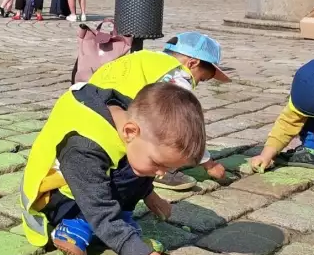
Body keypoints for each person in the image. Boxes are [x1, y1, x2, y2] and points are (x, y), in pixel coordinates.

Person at [21, 82, 206, 255]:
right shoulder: (84, 146)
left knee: (137, 166)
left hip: (85, 183)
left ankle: (120, 227)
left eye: (168, 168)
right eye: (159, 164)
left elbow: (136, 157)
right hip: (56, 198)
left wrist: (149, 194)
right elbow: (102, 214)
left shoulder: (130, 119)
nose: (161, 174)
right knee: (132, 172)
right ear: (130, 131)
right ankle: (76, 224)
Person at [89, 33, 232, 190]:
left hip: (88, 107)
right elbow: (184, 127)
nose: (196, 83)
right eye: (201, 79)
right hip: (110, 127)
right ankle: (153, 168)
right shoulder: (177, 77)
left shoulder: (145, 58)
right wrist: (209, 165)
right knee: (165, 130)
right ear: (192, 63)